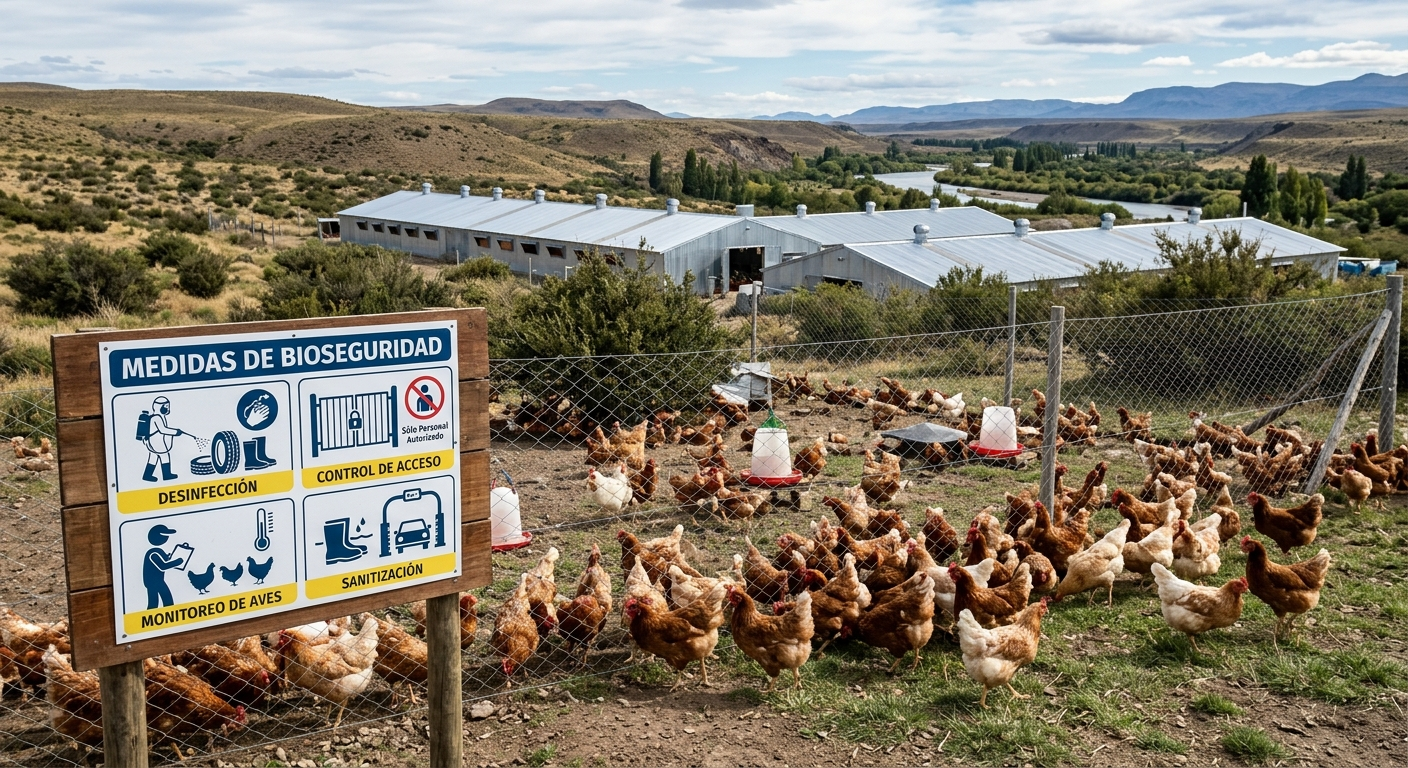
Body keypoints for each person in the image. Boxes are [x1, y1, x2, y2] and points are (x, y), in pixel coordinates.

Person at [142, 395, 184, 482]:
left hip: (151, 441)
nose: (168, 409)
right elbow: (163, 430)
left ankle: (147, 475)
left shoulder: (158, 416)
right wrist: (176, 432)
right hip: (155, 441)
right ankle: (167, 475)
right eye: (166, 407)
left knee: (153, 457)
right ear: (159, 407)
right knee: (164, 456)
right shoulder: (157, 418)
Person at [143, 524, 185, 610]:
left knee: (155, 602)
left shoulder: (158, 551)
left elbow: (164, 559)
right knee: (164, 600)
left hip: (157, 580)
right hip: (153, 581)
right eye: (165, 536)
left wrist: (169, 557)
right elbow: (162, 566)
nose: (167, 538)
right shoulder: (152, 553)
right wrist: (177, 562)